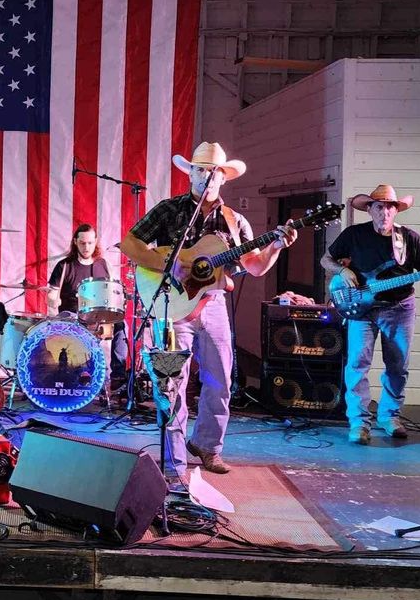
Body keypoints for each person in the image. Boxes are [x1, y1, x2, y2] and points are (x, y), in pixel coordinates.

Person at [120, 142, 296, 482]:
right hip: (172, 307)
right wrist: (167, 264)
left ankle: (207, 445)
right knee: (171, 382)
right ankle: (173, 460)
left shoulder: (235, 222)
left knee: (220, 378)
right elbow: (130, 243)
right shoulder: (169, 210)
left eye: (214, 171)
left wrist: (275, 246)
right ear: (191, 173)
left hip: (212, 305)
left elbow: (255, 267)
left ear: (223, 178)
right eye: (201, 169)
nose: (207, 176)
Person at [320, 184, 420, 446]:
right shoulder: (353, 235)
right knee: (358, 364)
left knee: (398, 366)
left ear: (396, 211)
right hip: (360, 309)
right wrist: (342, 272)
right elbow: (326, 259)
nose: (385, 212)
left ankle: (390, 417)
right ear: (370, 209)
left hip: (399, 308)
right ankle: (359, 422)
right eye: (380, 207)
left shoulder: (409, 239)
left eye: (391, 207)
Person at [47, 223, 128, 387]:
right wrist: (53, 299)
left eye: (90, 243)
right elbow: (52, 293)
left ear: (95, 242)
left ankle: (118, 378)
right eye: (82, 243)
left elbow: (113, 292)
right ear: (75, 242)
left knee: (121, 325)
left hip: (99, 315)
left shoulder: (104, 265)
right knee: (74, 322)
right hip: (72, 316)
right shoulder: (64, 266)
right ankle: (82, 374)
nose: (86, 247)